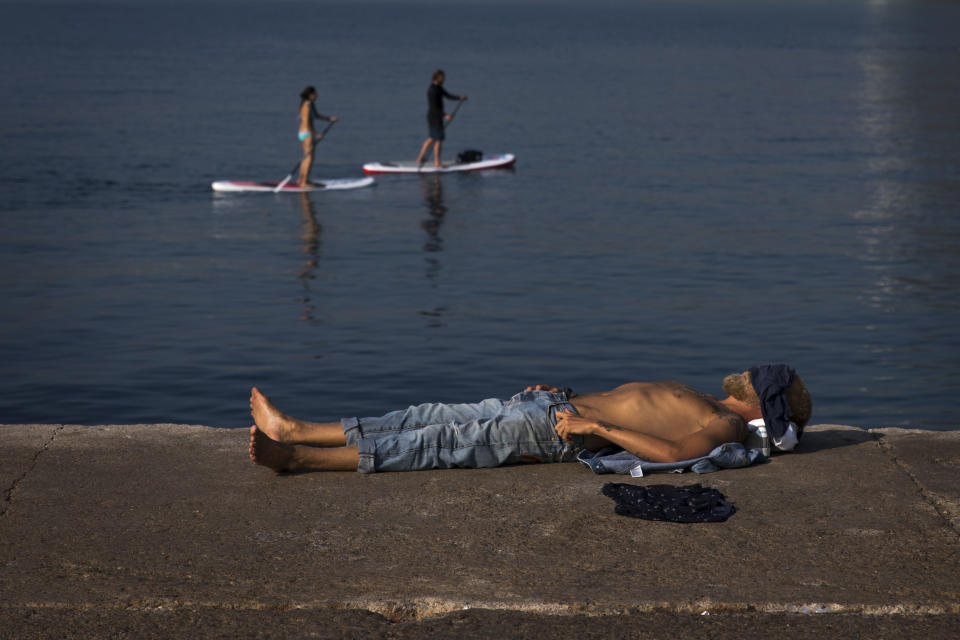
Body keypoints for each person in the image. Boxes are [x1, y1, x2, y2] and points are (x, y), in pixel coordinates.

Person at [248, 366, 812, 474]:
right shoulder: (704, 396)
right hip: (547, 406)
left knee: (439, 442)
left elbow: (674, 455)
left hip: (555, 431)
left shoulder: (730, 428)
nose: (745, 372)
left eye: (757, 380)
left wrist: (598, 431)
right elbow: (631, 400)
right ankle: (297, 429)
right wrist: (564, 395)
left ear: (761, 404)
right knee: (424, 415)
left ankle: (300, 459)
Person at [415, 69, 467, 168]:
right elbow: (434, 107)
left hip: (434, 116)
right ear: (438, 78)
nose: (444, 79)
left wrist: (459, 98)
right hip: (435, 117)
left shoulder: (438, 88)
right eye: (443, 77)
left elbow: (448, 95)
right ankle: (437, 163)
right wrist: (445, 115)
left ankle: (420, 158)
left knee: (431, 138)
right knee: (438, 140)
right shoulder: (433, 91)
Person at [296, 86, 337, 187]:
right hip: (307, 133)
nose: (317, 96)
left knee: (306, 157)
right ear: (310, 95)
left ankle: (301, 180)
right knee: (309, 158)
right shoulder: (307, 105)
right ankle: (304, 182)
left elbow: (317, 115)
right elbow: (306, 122)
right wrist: (316, 134)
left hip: (304, 133)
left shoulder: (310, 104)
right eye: (315, 94)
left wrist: (329, 119)